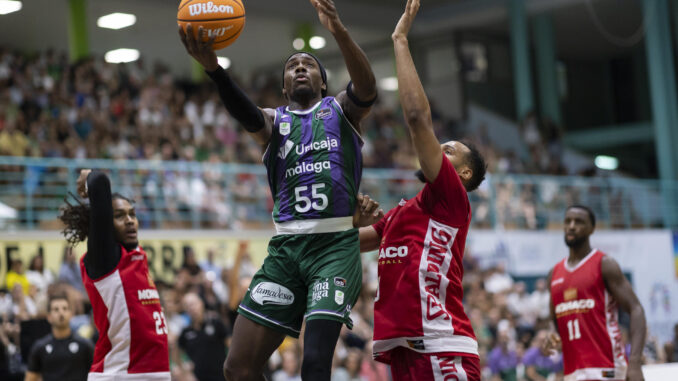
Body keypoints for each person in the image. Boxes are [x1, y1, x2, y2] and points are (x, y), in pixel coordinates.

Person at [179, 0, 377, 379]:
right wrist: (214, 70)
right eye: (291, 66)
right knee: (237, 368)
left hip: (333, 249)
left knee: (315, 364)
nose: (299, 67)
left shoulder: (340, 111)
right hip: (286, 251)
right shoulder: (274, 121)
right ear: (285, 85)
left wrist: (338, 30)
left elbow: (366, 87)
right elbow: (246, 113)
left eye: (308, 65)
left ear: (322, 81)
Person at [357, 1, 487, 380]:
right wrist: (346, 217)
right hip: (404, 352)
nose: (436, 149)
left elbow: (416, 119)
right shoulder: (403, 211)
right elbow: (350, 243)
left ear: (461, 173)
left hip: (442, 346)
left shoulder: (451, 198)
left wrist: (399, 40)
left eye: (447, 150)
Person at [58, 169, 170, 380]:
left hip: (153, 373)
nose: (129, 221)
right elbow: (100, 182)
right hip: (119, 374)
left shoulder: (137, 256)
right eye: (119, 216)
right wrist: (88, 176)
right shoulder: (105, 259)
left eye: (132, 214)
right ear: (104, 225)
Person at [544, 205, 647, 381]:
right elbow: (555, 319)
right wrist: (552, 334)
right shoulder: (554, 274)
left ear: (592, 228)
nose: (571, 226)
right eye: (568, 221)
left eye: (579, 222)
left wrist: (635, 362)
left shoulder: (604, 264)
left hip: (606, 368)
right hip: (573, 372)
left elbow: (636, 309)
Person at [25, 294, 94, 381]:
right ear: (49, 317)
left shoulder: (85, 345)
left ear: (71, 314)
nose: (61, 313)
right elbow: (31, 378)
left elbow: (96, 375)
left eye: (65, 309)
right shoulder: (40, 347)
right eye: (56, 309)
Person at [177, 293, 229, 381]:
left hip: (221, 376)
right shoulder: (186, 332)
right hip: (198, 377)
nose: (192, 308)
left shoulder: (215, 322)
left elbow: (230, 343)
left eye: (193, 304)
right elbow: (177, 351)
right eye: (187, 306)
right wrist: (185, 373)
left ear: (201, 303)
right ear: (185, 310)